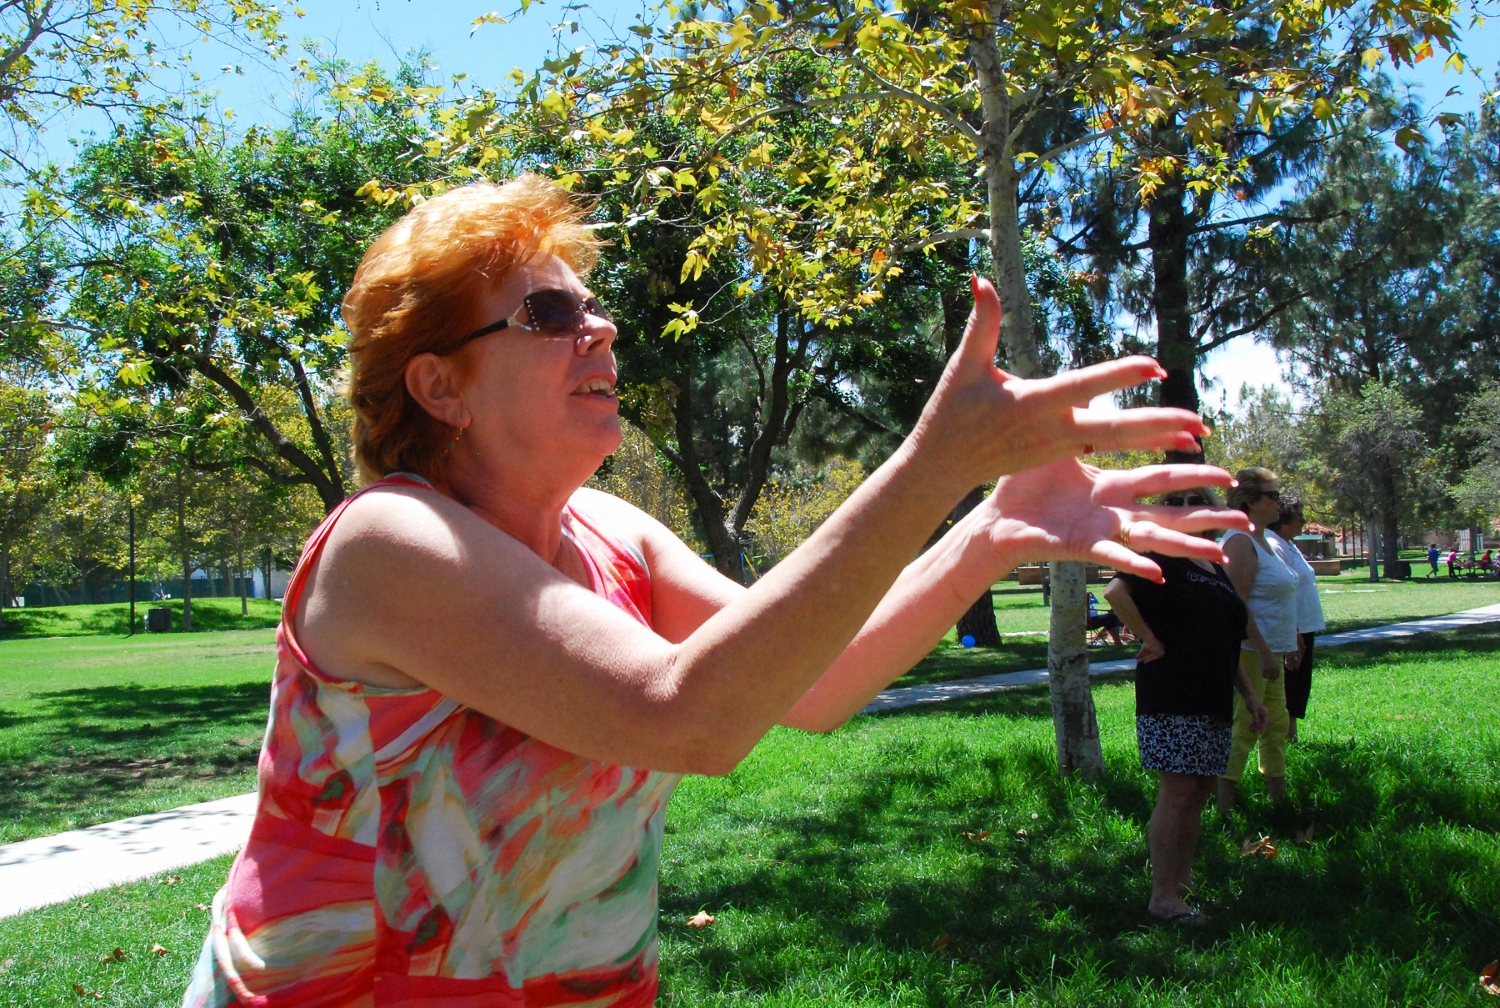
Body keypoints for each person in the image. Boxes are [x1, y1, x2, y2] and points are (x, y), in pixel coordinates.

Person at [182, 176, 1249, 1007]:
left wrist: (983, 538)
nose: (599, 328)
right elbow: (685, 718)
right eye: (547, 313)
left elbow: (810, 685)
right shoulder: (390, 542)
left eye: (593, 306)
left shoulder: (611, 533)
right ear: (439, 383)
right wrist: (932, 463)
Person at [1104, 489, 1272, 925]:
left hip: (1213, 694)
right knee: (1177, 793)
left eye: (1200, 500)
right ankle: (1162, 899)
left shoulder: (1213, 563)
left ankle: (1181, 887)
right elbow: (1115, 592)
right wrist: (1149, 638)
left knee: (1197, 794)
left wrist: (1250, 695)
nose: (1189, 507)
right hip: (1172, 690)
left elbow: (1224, 638)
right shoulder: (1160, 554)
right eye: (1178, 501)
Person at [1216, 467, 1302, 814]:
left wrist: (1291, 636)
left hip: (1272, 650)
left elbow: (1277, 596)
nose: (1280, 501)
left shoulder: (1266, 540)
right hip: (1250, 653)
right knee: (1247, 725)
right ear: (1250, 501)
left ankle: (1279, 800)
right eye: (1273, 495)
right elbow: (1237, 605)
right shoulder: (1239, 541)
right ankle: (1223, 806)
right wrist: (1265, 652)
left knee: (1277, 724)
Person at [1266, 499, 1327, 743]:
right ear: (1284, 519)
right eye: (1300, 517)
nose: (1304, 521)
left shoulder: (1289, 545)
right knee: (1289, 682)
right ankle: (1283, 737)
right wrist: (1294, 630)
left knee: (1299, 682)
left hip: (1305, 625)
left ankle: (1291, 735)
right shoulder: (1274, 545)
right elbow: (1280, 589)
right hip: (1293, 628)